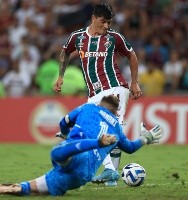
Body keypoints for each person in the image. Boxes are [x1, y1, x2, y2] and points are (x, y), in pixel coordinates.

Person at [0, 95, 162, 196]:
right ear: (117, 112)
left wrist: (64, 133)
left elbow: (63, 122)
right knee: (30, 188)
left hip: (76, 155)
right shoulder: (118, 129)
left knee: (57, 153)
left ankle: (92, 143)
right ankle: (7, 189)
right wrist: (145, 139)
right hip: (83, 176)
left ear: (100, 104)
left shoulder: (89, 107)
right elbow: (130, 148)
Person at [53, 2, 142, 186]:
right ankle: (111, 174)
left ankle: (110, 171)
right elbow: (65, 52)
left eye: (109, 22)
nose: (106, 26)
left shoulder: (114, 38)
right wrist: (60, 76)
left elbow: (132, 55)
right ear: (93, 18)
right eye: (103, 22)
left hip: (115, 88)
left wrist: (135, 82)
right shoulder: (77, 37)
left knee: (109, 129)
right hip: (93, 93)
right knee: (98, 132)